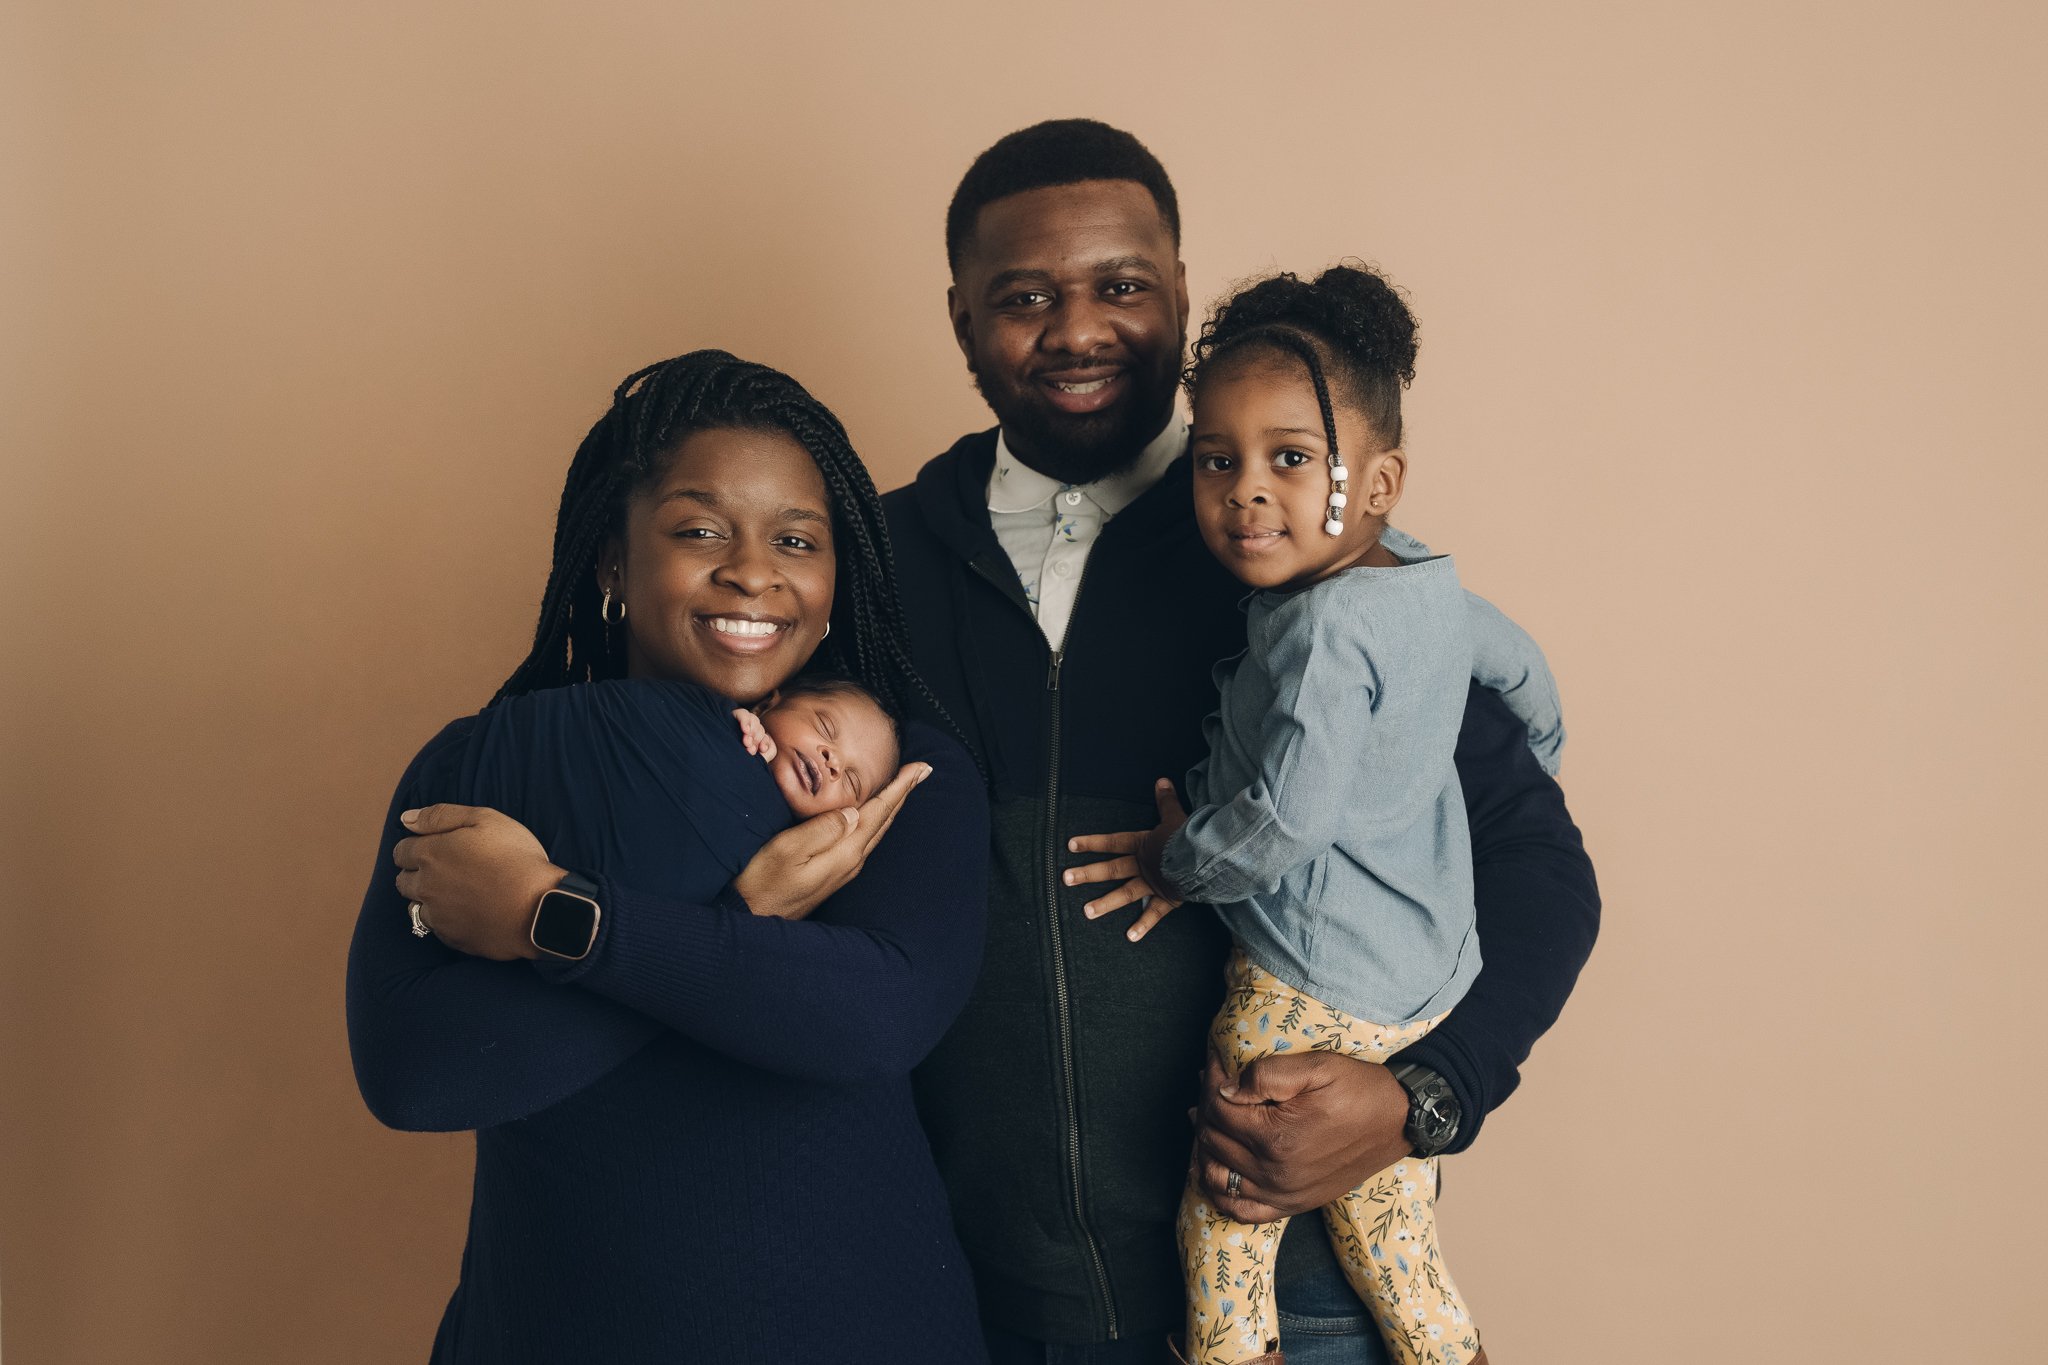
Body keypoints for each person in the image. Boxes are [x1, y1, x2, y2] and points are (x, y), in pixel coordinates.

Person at [883, 120, 1600, 1364]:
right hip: (979, 1298)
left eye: (1119, 286)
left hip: (1300, 1296)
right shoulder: (874, 561)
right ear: (959, 320)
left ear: (1176, 291)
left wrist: (1420, 1098)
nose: (1076, 328)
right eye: (1022, 297)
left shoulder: (1303, 560)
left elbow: (1542, 871)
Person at [347, 350, 992, 1365]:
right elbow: (416, 1075)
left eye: (795, 539)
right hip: (552, 1328)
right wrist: (745, 917)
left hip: (858, 1326)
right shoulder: (483, 762)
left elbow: (875, 1016)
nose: (751, 569)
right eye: (698, 531)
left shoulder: (893, 769)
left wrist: (551, 917)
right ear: (612, 561)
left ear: (839, 575)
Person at [1066, 263, 1563, 1365]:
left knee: (1228, 1207)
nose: (1245, 490)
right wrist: (1540, 745)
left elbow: (1282, 822)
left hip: (1304, 984)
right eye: (1216, 460)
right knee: (1390, 1233)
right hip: (1419, 988)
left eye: (1290, 460)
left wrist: (1176, 860)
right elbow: (1519, 668)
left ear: (1376, 480)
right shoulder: (1428, 585)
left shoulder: (1321, 635)